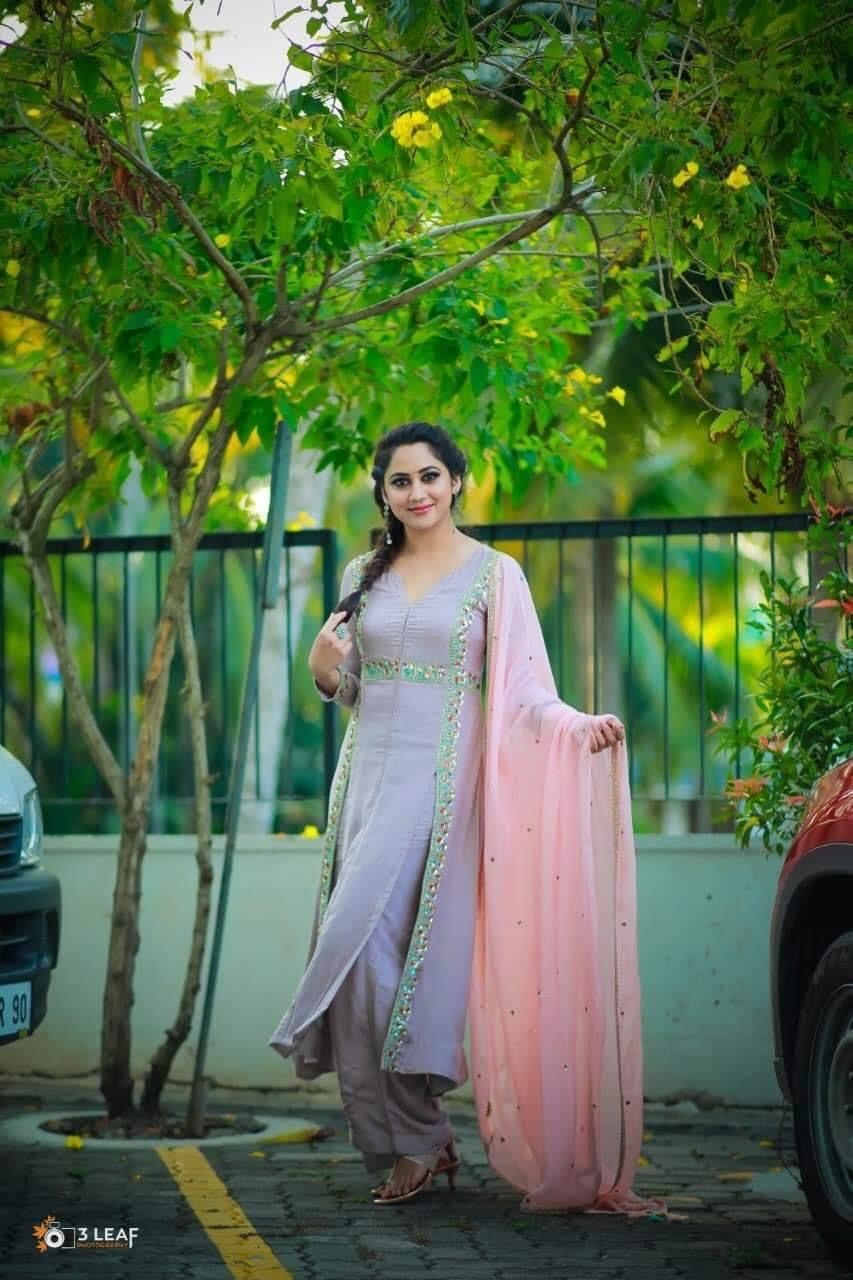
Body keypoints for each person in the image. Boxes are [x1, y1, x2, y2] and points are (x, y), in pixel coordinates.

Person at [270, 422, 665, 1218]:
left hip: (446, 795)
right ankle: (410, 1140)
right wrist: (323, 675)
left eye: (429, 476)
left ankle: (416, 1136)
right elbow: (353, 688)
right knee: (360, 964)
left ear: (456, 481)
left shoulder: (495, 575)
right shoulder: (361, 574)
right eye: (399, 481)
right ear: (383, 494)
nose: (416, 492)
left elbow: (523, 693)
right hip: (365, 790)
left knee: (409, 970)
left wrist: (575, 727)